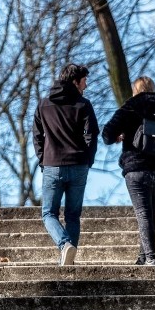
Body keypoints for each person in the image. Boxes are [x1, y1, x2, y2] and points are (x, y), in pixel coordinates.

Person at [101, 76, 155, 265]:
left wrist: (120, 137)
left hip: (137, 169)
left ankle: (150, 258)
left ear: (135, 91)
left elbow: (107, 135)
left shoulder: (128, 109)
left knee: (143, 214)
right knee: (149, 215)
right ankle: (142, 257)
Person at [32, 63, 99, 265]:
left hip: (52, 165)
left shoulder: (44, 104)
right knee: (72, 215)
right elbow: (92, 135)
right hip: (78, 164)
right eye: (84, 81)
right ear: (74, 81)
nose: (85, 86)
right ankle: (67, 251)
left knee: (49, 213)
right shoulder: (84, 105)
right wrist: (88, 159)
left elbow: (37, 136)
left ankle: (64, 246)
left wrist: (43, 159)